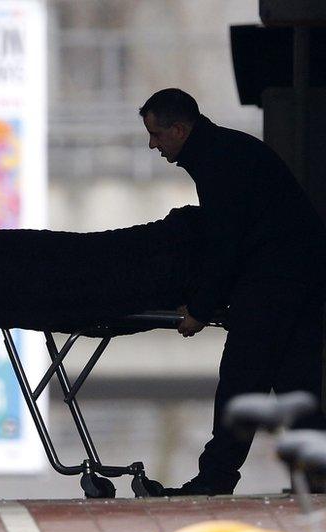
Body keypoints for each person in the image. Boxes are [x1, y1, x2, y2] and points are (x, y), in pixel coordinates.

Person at [139, 88, 326, 495]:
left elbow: (226, 244)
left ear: (179, 128)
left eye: (156, 134)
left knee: (241, 381)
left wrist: (200, 310)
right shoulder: (227, 150)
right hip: (300, 278)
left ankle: (216, 478)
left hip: (274, 282)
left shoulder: (217, 161)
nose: (152, 144)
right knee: (297, 381)